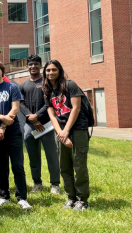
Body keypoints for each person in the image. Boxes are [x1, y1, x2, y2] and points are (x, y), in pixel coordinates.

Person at [43, 60, 90, 211]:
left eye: (53, 70)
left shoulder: (70, 85)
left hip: (77, 129)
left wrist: (66, 131)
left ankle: (83, 200)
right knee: (64, 167)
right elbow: (51, 115)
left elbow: (76, 108)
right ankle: (71, 197)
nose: (50, 73)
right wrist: (60, 133)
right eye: (48, 70)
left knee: (79, 165)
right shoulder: (47, 90)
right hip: (62, 131)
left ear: (60, 70)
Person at [0, 60, 32, 210]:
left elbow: (15, 109)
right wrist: (1, 119)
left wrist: (3, 126)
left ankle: (22, 197)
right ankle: (4, 195)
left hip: (12, 132)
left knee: (17, 165)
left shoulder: (12, 87)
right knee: (1, 167)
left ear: (2, 72)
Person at [19, 55, 61, 194]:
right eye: (30, 64)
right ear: (27, 67)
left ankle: (55, 184)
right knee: (33, 156)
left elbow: (50, 102)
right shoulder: (23, 85)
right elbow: (21, 103)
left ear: (40, 66)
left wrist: (38, 116)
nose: (33, 67)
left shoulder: (46, 83)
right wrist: (32, 118)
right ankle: (37, 183)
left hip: (47, 125)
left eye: (36, 64)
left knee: (52, 155)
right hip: (30, 125)